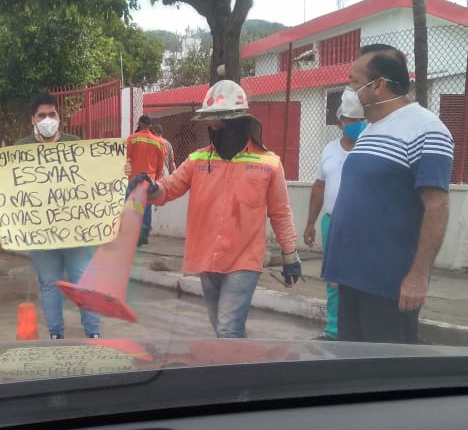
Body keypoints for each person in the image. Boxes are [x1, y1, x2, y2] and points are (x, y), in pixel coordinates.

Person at [131, 79, 301, 338]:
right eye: (210, 125)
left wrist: (290, 256)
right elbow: (170, 187)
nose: (213, 130)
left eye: (218, 124)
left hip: (244, 260)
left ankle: (231, 376)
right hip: (207, 257)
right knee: (221, 327)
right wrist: (150, 188)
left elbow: (280, 212)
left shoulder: (268, 164)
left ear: (238, 123)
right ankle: (239, 366)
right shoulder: (198, 160)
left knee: (227, 328)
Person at [322, 44, 454, 344]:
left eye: (354, 82)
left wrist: (418, 276)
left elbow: (437, 206)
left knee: (382, 376)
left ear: (378, 85)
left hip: (389, 285)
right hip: (352, 278)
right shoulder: (370, 129)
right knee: (352, 372)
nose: (349, 90)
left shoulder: (427, 129)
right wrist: (338, 267)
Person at [0, 92, 101, 339]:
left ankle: (94, 335)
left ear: (59, 117)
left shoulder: (75, 144)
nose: (47, 119)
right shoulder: (20, 149)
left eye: (52, 114)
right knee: (49, 284)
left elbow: (96, 175)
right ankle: (56, 336)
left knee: (84, 283)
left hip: (77, 231)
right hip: (40, 233)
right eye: (42, 115)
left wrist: (120, 169)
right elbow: (4, 181)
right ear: (33, 119)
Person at [303, 88, 367, 340]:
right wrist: (311, 223)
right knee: (333, 280)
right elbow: (319, 186)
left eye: (360, 120)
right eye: (350, 120)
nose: (356, 125)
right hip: (333, 222)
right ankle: (333, 330)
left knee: (360, 279)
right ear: (340, 122)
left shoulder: (370, 147)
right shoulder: (329, 150)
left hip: (363, 225)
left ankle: (358, 330)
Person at [125, 114, 165, 245]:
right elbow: (161, 163)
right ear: (150, 125)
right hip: (150, 178)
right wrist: (157, 177)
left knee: (133, 206)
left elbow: (126, 158)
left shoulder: (132, 139)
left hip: (134, 178)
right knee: (146, 206)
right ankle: (144, 236)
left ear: (140, 124)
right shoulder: (158, 141)